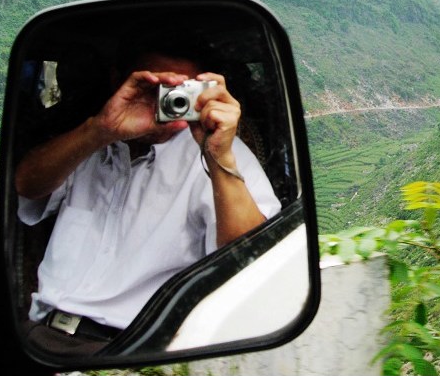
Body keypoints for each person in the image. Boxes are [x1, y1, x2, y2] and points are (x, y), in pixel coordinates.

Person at [14, 44, 281, 356]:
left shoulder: (221, 153)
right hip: (38, 332)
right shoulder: (89, 141)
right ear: (119, 82)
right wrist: (101, 130)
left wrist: (219, 155)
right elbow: (26, 184)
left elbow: (250, 260)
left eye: (183, 93)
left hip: (131, 349)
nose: (169, 103)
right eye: (154, 89)